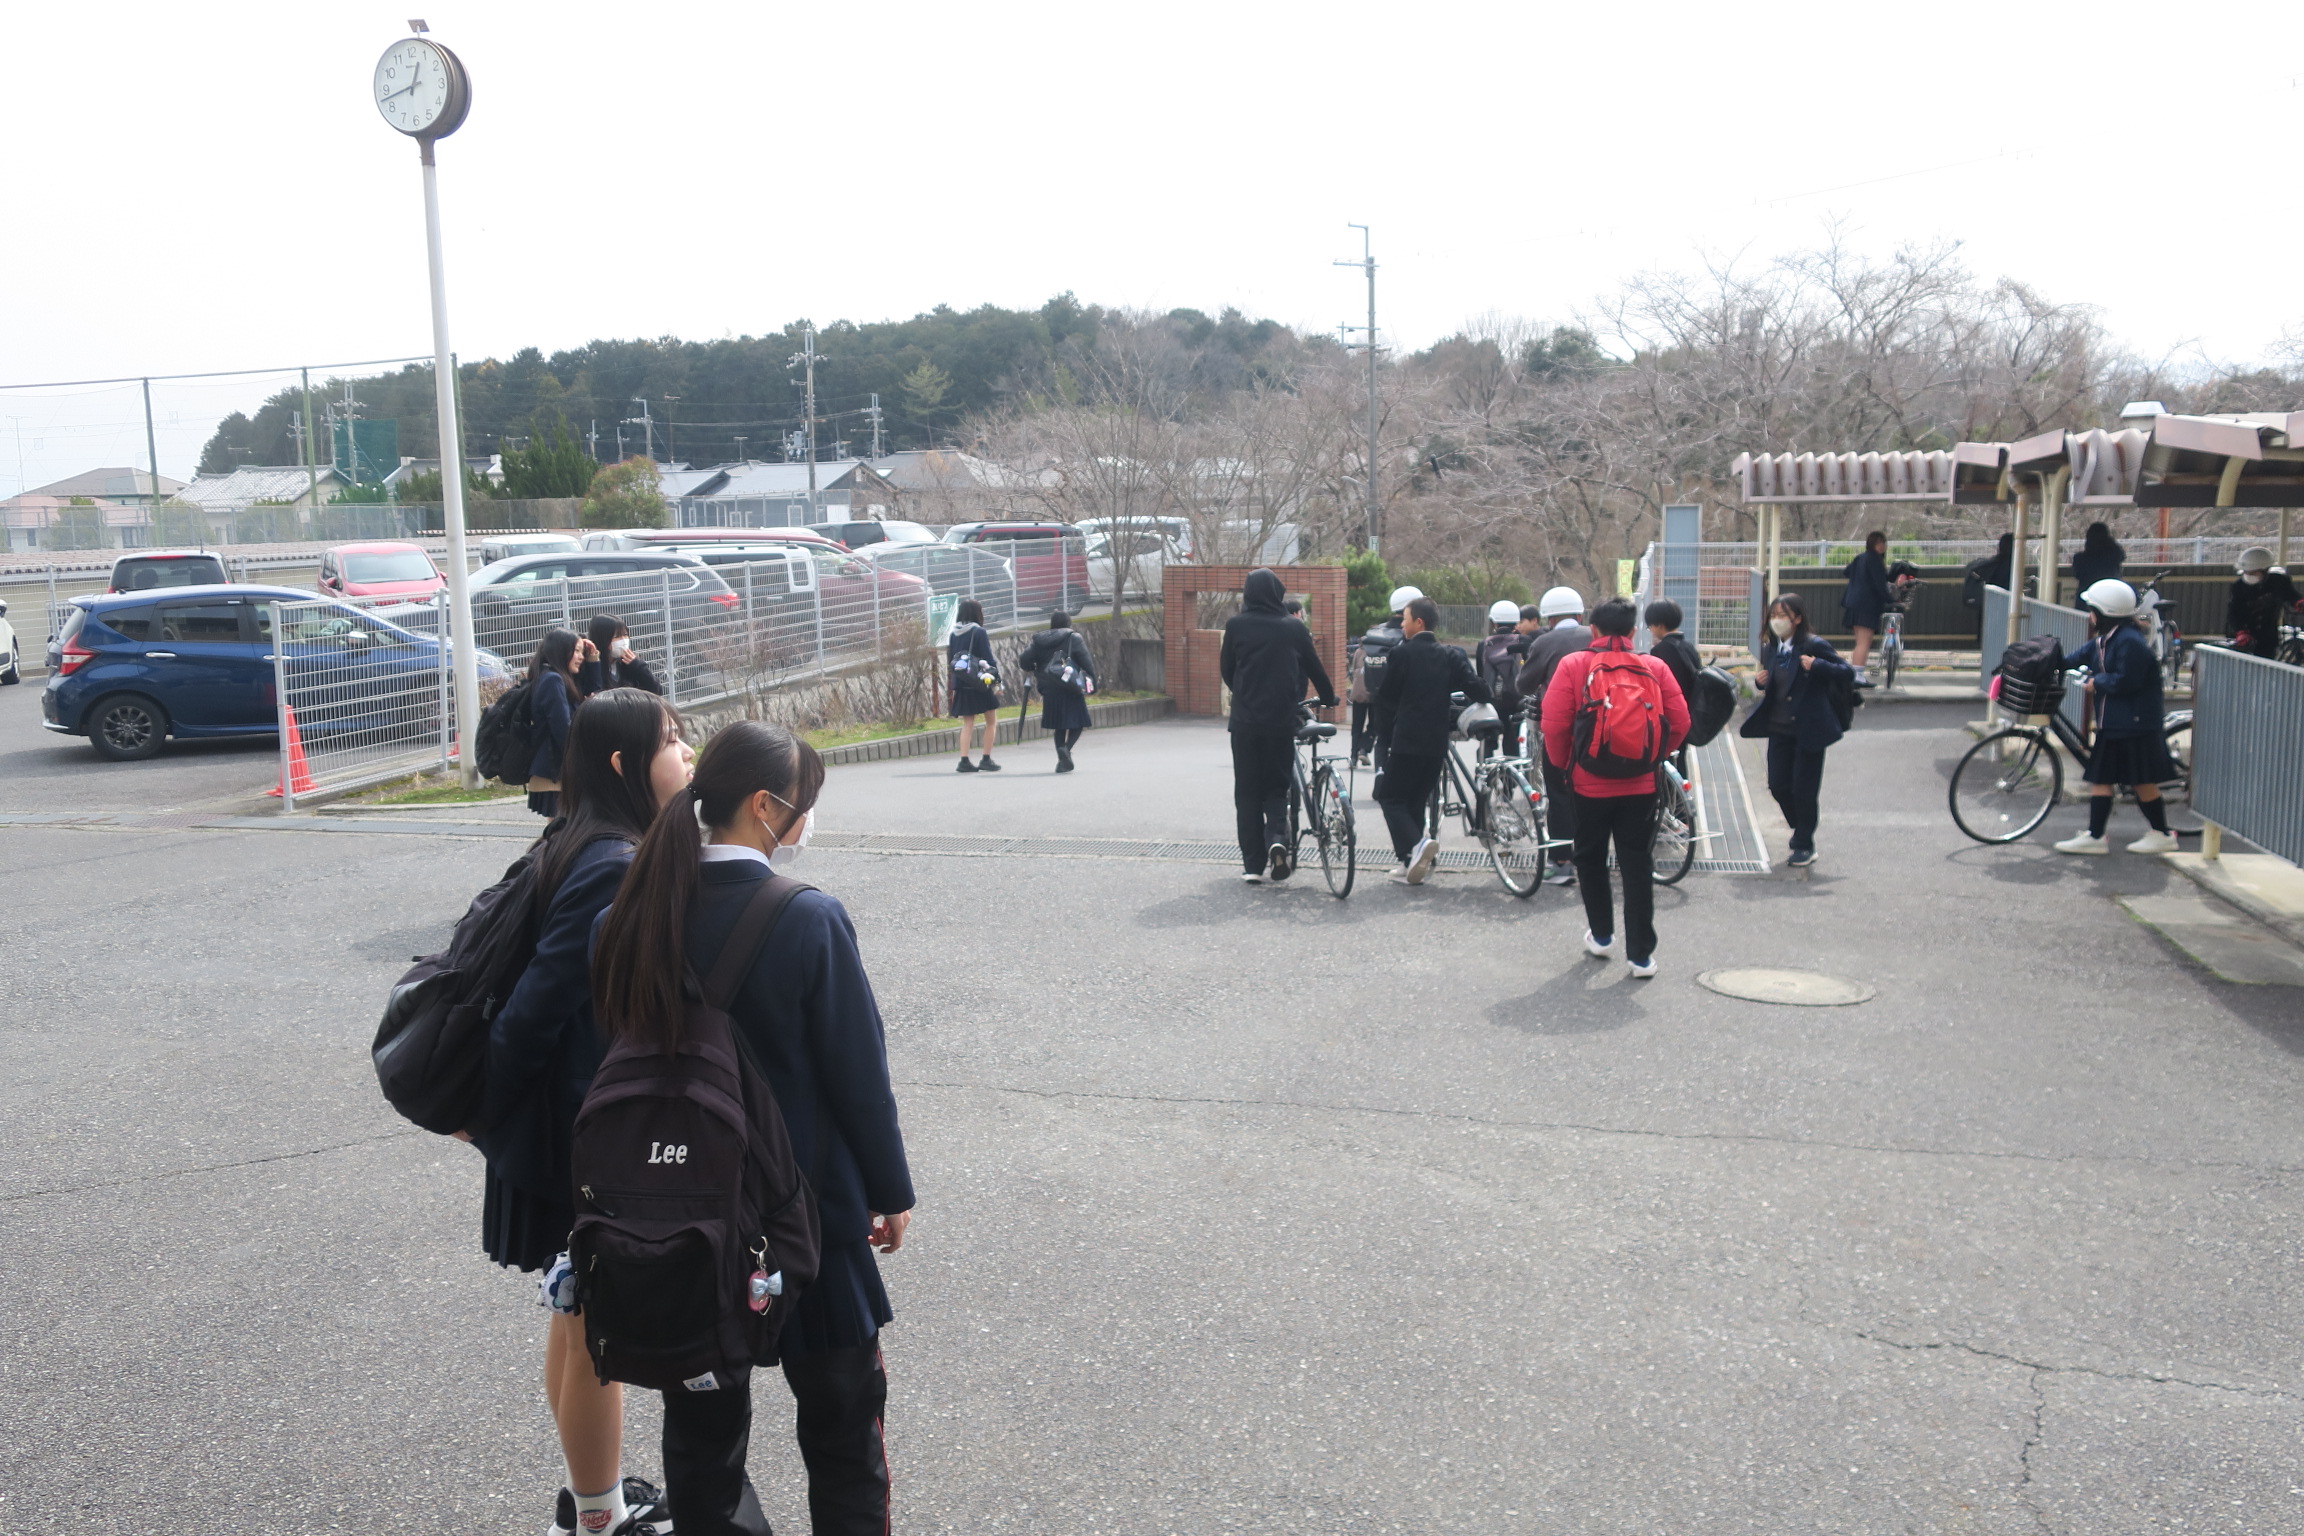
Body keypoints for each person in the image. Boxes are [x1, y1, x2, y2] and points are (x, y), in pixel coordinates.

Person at [591, 720, 915, 1536]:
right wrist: (889, 1191)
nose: (807, 818)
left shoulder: (627, 916)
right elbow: (858, 1076)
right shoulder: (808, 919)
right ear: (766, 807)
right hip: (809, 1217)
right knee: (844, 1434)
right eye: (803, 802)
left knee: (703, 1448)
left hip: (679, 1221)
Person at [473, 688, 693, 1536]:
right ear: (623, 762)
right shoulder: (611, 861)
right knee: (599, 1330)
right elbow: (536, 1008)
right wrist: (488, 1114)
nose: (687, 754)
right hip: (581, 1130)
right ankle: (599, 1516)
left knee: (576, 1318)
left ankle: (590, 1495)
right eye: (671, 742)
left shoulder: (578, 838)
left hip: (568, 1120)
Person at [1540, 597, 1690, 978]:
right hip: (1641, 786)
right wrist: (1653, 755)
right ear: (1633, 631)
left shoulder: (1573, 665)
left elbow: (1554, 726)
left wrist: (1566, 765)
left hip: (1588, 785)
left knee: (1590, 858)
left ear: (1593, 630)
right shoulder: (1654, 666)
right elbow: (1680, 721)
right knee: (1637, 862)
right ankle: (1641, 956)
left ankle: (1603, 936)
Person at [1220, 568, 1339, 883]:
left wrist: (1244, 693)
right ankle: (1277, 839)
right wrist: (1329, 698)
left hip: (1245, 723)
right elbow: (1314, 668)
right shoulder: (1293, 628)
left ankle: (1253, 866)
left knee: (1247, 793)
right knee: (1276, 787)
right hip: (1281, 722)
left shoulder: (1236, 626)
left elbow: (1227, 670)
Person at [2052, 579, 2181, 855]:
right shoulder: (2109, 639)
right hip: (2119, 722)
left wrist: (2097, 682)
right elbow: (2076, 658)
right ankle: (2099, 835)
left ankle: (2158, 833)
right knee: (2110, 778)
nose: (2090, 615)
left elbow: (2127, 681)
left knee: (2137, 780)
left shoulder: (2129, 642)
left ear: (2103, 613)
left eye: (2092, 609)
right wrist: (2046, 660)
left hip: (2133, 723)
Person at [1373, 596, 1489, 885]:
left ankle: (1417, 846)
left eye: (1405, 619)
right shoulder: (1451, 655)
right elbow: (1478, 689)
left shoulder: (1402, 654)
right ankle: (1410, 863)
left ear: (1419, 622)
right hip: (1437, 743)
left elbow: (1386, 699)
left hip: (1407, 739)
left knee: (1390, 797)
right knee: (1414, 801)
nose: (1402, 624)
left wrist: (1382, 736)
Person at [1739, 593, 1853, 869]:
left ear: (1797, 618)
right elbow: (1777, 683)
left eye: (1783, 615)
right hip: (1779, 728)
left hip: (1809, 729)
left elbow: (1847, 672)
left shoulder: (1813, 645)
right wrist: (1761, 682)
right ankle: (1801, 826)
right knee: (1778, 785)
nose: (1777, 621)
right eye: (1773, 615)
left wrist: (1818, 665)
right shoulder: (1771, 649)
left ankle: (1804, 843)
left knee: (1804, 790)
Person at [1516, 586, 1593, 886]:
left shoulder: (1546, 642)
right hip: (1598, 726)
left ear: (1548, 619)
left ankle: (1562, 862)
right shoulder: (1594, 636)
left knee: (1559, 793)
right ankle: (1589, 856)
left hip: (1560, 728)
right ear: (1580, 615)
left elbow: (1524, 684)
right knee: (1590, 792)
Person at [525, 626, 597, 819]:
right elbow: (562, 728)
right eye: (576, 651)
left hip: (557, 769)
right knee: (562, 829)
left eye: (582, 652)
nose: (581, 657)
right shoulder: (553, 680)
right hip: (555, 770)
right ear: (562, 651)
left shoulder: (556, 677)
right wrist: (581, 761)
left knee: (563, 829)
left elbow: (594, 691)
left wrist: (593, 660)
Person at [1349, 585, 1421, 770]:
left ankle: (1378, 775)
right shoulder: (1410, 635)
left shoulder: (1377, 634)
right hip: (1404, 701)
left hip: (1377, 694)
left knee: (1382, 739)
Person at [1017, 612, 1096, 771]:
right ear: (1068, 623)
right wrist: (1092, 682)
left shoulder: (1039, 640)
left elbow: (1024, 660)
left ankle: (1062, 761)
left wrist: (1034, 668)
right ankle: (1066, 749)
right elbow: (1086, 663)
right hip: (1070, 687)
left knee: (1059, 726)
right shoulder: (1073, 638)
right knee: (1079, 723)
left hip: (1049, 688)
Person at [946, 597, 1003, 773]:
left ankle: (964, 761)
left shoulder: (953, 634)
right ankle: (986, 759)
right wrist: (997, 680)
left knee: (968, 723)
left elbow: (951, 660)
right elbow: (988, 658)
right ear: (977, 613)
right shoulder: (979, 632)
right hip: (979, 682)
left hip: (962, 683)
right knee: (991, 721)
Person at [1473, 599, 1533, 756]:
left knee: (1487, 743)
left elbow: (1481, 675)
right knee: (1513, 744)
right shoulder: (1524, 641)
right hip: (1517, 702)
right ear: (1516, 622)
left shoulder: (1483, 645)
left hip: (1492, 704)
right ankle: (1512, 770)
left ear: (1494, 623)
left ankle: (1485, 769)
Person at [2227, 546, 2302, 659]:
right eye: (2246, 572)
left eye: (2253, 572)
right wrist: (2240, 632)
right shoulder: (2238, 587)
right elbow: (2234, 612)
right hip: (2242, 637)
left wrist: (2298, 602)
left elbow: (2290, 595)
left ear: (2265, 570)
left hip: (2268, 636)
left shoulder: (2278, 582)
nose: (2249, 575)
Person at [1841, 531, 1893, 682]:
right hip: (1867, 605)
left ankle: (1855, 673)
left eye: (1883, 542)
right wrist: (1891, 600)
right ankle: (1857, 675)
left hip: (1853, 604)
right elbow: (1880, 585)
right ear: (1873, 544)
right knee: (1865, 642)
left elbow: (1846, 571)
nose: (1882, 546)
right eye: (1879, 543)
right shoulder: (1874, 559)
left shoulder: (1861, 558)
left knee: (1860, 642)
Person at [577, 614, 663, 698]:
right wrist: (594, 663)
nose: (623, 640)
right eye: (617, 636)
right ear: (603, 639)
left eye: (625, 635)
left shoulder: (630, 664)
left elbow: (656, 690)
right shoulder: (590, 666)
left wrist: (639, 666)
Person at [1643, 599, 1702, 703]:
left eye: (1650, 627)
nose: (1651, 631)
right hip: (1694, 704)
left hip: (1675, 705)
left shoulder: (1659, 650)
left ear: (1659, 625)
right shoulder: (1689, 646)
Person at [1963, 533, 2015, 640]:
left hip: (1987, 604)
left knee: (1988, 636)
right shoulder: (2010, 564)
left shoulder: (1993, 563)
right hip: (2004, 607)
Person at [2072, 521, 2126, 590]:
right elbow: (2121, 556)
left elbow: (2078, 575)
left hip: (2087, 591)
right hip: (2111, 591)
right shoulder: (2113, 555)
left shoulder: (2079, 558)